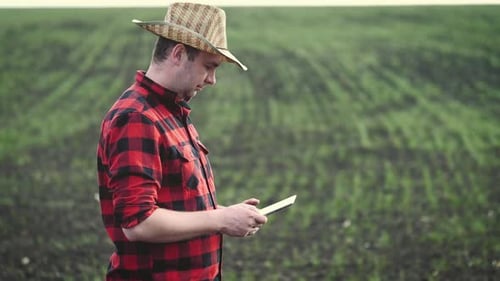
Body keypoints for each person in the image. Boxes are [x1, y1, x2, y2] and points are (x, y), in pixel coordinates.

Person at [96, 2, 267, 280]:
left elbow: (173, 204)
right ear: (178, 53)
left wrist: (227, 215)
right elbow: (139, 223)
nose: (212, 80)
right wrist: (220, 219)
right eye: (209, 67)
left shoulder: (169, 112)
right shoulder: (137, 117)